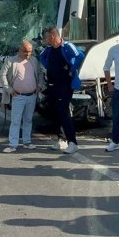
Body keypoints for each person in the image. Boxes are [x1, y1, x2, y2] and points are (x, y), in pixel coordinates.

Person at [39, 26, 85, 154]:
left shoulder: (67, 46)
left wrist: (71, 69)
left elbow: (80, 56)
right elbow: (41, 58)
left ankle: (73, 142)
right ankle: (61, 139)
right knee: (55, 112)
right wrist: (49, 68)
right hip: (52, 84)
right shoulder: (48, 50)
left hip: (64, 85)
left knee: (63, 112)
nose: (45, 39)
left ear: (52, 36)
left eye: (46, 37)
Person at [0, 40, 45, 153]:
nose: (28, 54)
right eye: (25, 52)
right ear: (20, 50)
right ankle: (13, 144)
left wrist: (39, 86)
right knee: (16, 121)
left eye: (30, 52)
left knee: (28, 120)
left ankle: (27, 142)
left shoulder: (33, 60)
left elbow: (40, 73)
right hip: (18, 96)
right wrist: (9, 89)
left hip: (32, 96)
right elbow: (2, 75)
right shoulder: (11, 61)